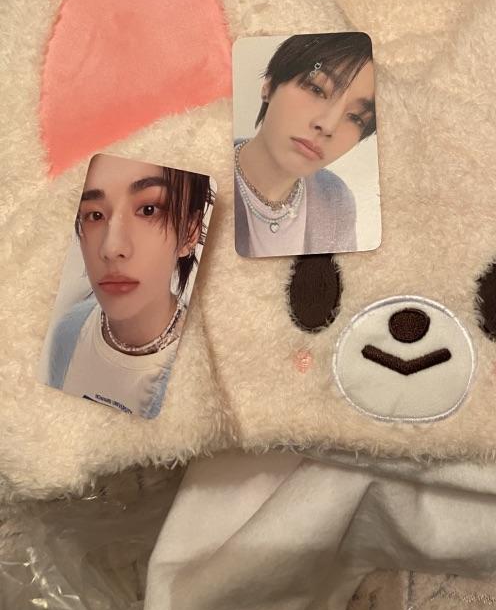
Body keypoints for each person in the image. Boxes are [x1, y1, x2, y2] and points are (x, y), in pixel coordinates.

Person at [46, 155, 214, 419]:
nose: (111, 248)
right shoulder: (66, 331)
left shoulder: (202, 373)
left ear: (190, 233)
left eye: (149, 210)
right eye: (95, 215)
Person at [234, 32, 376, 257]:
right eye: (316, 89)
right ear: (269, 84)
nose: (328, 126)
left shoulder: (337, 199)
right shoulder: (205, 174)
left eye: (356, 118)